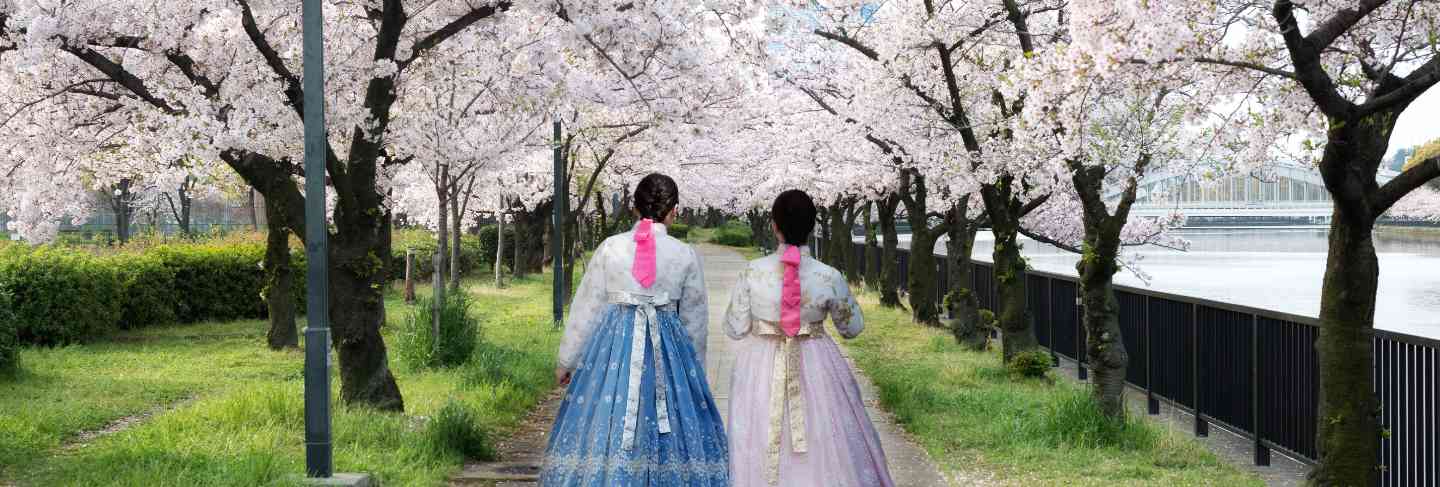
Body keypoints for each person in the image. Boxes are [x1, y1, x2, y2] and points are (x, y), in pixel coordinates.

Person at [540, 173, 729, 486]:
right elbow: (695, 319)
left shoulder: (610, 247)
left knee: (611, 419)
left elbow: (588, 307)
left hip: (613, 349)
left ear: (634, 208)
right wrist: (697, 375)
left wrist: (567, 361)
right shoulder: (684, 254)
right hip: (668, 351)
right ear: (674, 211)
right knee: (667, 421)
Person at [723, 190, 895, 487]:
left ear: (774, 225)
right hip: (816, 362)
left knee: (760, 430)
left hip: (761, 363)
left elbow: (735, 327)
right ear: (813, 226)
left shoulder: (752, 272)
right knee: (824, 433)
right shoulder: (829, 276)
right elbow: (852, 328)